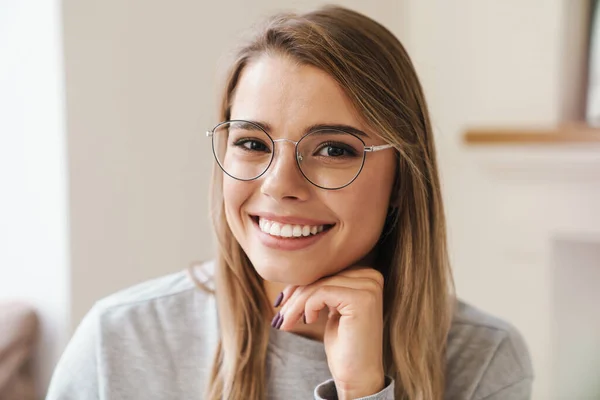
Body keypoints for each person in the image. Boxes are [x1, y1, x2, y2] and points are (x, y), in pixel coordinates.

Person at [46, 5, 533, 400]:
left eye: (333, 149)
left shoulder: (483, 359)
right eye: (252, 143)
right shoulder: (118, 341)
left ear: (403, 179)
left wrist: (363, 391)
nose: (280, 185)